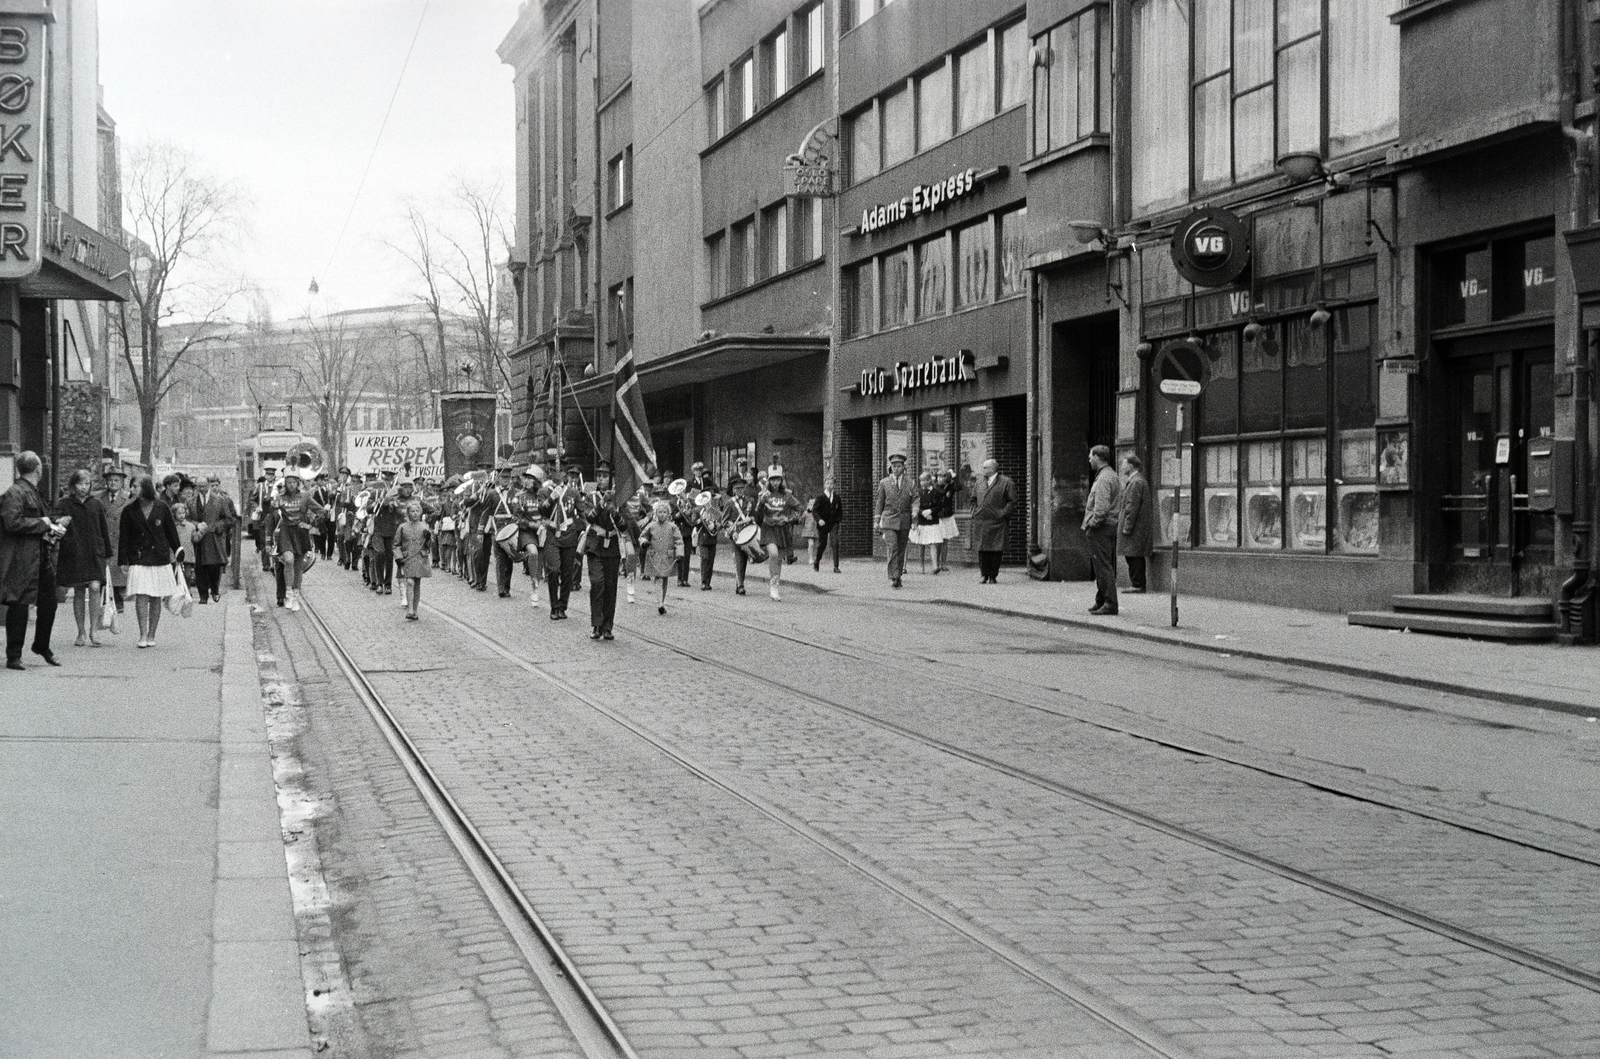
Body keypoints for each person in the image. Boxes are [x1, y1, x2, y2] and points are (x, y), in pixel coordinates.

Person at [2, 452, 67, 668]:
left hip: (39, 556)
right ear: (38, 469)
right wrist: (44, 524)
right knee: (19, 603)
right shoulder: (15, 492)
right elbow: (12, 523)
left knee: (49, 602)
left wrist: (53, 525)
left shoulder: (27, 491)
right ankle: (14, 655)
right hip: (22, 559)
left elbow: (38, 520)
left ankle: (41, 645)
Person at [118, 474, 182, 649]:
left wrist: (178, 551)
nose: (132, 490)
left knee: (155, 596)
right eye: (131, 486)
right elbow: (124, 537)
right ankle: (143, 635)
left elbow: (171, 532)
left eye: (135, 486)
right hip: (138, 557)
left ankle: (152, 634)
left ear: (145, 487)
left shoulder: (162, 507)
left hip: (159, 558)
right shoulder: (129, 510)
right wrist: (123, 560)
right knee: (141, 595)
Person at [55, 469, 113, 648]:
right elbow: (54, 522)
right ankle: (80, 632)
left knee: (95, 587)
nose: (84, 487)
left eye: (87, 484)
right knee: (79, 590)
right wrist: (60, 521)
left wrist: (108, 553)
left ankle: (93, 630)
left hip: (94, 551)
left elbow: (104, 529)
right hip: (75, 551)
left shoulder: (96, 503)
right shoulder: (65, 503)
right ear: (73, 486)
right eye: (80, 483)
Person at [582, 461, 628, 640]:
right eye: (599, 476)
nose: (601, 479)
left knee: (610, 587)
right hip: (595, 546)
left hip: (613, 547)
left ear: (611, 479)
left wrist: (614, 512)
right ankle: (596, 624)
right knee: (597, 584)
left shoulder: (619, 499)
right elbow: (589, 516)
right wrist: (601, 504)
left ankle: (608, 626)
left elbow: (624, 526)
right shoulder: (590, 497)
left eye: (605, 476)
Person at [267, 472, 325, 612]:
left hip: (300, 533)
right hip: (286, 532)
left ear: (298, 483)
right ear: (285, 484)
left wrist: (311, 525)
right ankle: (288, 593)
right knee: (288, 560)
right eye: (289, 482)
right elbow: (271, 514)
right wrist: (274, 503)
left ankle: (295, 597)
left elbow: (321, 511)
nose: (292, 485)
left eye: (294, 482)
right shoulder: (281, 497)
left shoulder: (305, 496)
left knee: (298, 567)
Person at [539, 469, 583, 620]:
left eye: (563, 475)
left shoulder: (573, 493)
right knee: (554, 570)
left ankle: (563, 606)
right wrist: (552, 498)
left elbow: (582, 513)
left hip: (569, 535)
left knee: (567, 573)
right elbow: (541, 510)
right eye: (558, 474)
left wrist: (583, 529)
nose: (561, 477)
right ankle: (554, 606)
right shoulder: (544, 492)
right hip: (552, 534)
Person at [1083, 445, 1122, 615]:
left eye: (1091, 456)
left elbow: (1101, 507)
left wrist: (1093, 524)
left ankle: (1110, 603)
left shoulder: (1104, 478)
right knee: (1101, 564)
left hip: (1102, 528)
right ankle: (1101, 600)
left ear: (1099, 458)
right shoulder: (1109, 475)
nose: (1089, 460)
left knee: (1102, 565)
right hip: (1107, 526)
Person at [754, 465, 802, 601]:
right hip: (768, 528)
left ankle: (775, 586)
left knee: (779, 559)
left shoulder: (787, 494)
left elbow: (800, 509)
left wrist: (790, 519)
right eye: (772, 480)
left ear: (781, 480)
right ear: (768, 480)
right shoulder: (764, 494)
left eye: (778, 480)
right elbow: (757, 517)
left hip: (782, 529)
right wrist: (761, 504)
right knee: (773, 554)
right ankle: (772, 585)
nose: (775, 482)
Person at [971, 458, 1017, 584]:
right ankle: (983, 574)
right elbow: (973, 499)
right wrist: (975, 511)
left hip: (997, 521)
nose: (983, 470)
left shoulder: (1006, 482)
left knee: (996, 549)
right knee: (982, 549)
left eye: (985, 467)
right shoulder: (979, 482)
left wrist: (1002, 513)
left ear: (993, 469)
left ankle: (993, 575)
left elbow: (1012, 501)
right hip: (982, 520)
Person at [873, 452, 916, 589]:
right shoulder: (884, 483)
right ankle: (894, 576)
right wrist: (877, 520)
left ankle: (898, 574)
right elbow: (879, 503)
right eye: (894, 466)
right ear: (890, 468)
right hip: (889, 519)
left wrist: (915, 512)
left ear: (903, 467)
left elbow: (915, 499)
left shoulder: (910, 482)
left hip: (904, 520)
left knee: (902, 548)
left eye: (899, 466)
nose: (896, 468)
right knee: (892, 547)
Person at [193, 474, 237, 604]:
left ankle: (215, 589)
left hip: (213, 538)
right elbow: (187, 518)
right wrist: (196, 525)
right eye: (199, 487)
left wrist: (218, 527)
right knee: (199, 567)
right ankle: (203, 595)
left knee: (213, 566)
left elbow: (229, 519)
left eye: (204, 486)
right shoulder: (191, 501)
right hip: (198, 538)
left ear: (208, 485)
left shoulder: (219, 500)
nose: (202, 489)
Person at [636, 499, 683, 615]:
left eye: (664, 512)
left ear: (668, 514)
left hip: (668, 556)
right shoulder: (651, 526)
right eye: (660, 512)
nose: (662, 514)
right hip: (655, 555)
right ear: (656, 513)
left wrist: (680, 553)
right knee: (658, 577)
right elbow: (642, 536)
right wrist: (644, 542)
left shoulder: (673, 527)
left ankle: (662, 600)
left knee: (665, 578)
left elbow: (679, 541)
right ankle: (660, 603)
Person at [1117, 454, 1153, 594]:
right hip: (1138, 526)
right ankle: (1137, 584)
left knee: (1133, 555)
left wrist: (1127, 527)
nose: (1122, 467)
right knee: (1133, 554)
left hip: (1135, 528)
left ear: (1131, 466)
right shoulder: (1137, 481)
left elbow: (1132, 507)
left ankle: (1137, 584)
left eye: (1124, 464)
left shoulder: (1136, 482)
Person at [100, 468, 132, 614]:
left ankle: (118, 600)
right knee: (104, 569)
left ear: (122, 482)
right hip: (104, 538)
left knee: (119, 570)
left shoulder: (128, 498)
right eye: (110, 480)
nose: (113, 483)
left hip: (121, 538)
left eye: (116, 480)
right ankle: (105, 599)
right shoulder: (98, 498)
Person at [394, 499, 431, 621]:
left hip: (420, 558)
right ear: (408, 513)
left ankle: (415, 610)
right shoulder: (402, 527)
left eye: (417, 511)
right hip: (408, 558)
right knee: (409, 582)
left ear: (420, 512)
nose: (415, 513)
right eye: (412, 511)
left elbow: (429, 546)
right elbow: (396, 544)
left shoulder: (424, 527)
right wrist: (398, 557)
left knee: (417, 584)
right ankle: (410, 609)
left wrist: (429, 538)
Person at [909, 471, 944, 574]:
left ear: (929, 480)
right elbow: (914, 505)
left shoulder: (936, 492)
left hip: (933, 520)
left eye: (924, 480)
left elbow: (940, 505)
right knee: (921, 544)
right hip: (922, 521)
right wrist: (922, 512)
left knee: (933, 543)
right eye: (921, 481)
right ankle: (921, 566)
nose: (922, 483)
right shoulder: (918, 493)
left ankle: (935, 565)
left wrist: (931, 511)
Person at [693, 488, 725, 590]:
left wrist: (715, 525)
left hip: (712, 538)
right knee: (704, 558)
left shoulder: (715, 511)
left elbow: (721, 524)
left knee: (711, 560)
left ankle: (708, 582)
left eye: (709, 498)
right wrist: (701, 520)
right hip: (702, 538)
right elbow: (693, 522)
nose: (708, 501)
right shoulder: (697, 510)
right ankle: (703, 581)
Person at [171, 501, 201, 595]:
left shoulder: (190, 526)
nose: (181, 515)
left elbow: (195, 539)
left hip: (187, 555)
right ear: (174, 514)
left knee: (187, 575)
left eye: (183, 513)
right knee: (175, 575)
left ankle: (186, 590)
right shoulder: (172, 526)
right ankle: (175, 591)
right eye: (179, 513)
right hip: (174, 555)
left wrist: (201, 532)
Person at [812, 480, 841, 573]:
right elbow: (815, 511)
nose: (830, 485)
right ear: (825, 485)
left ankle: (836, 566)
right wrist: (819, 520)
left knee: (835, 542)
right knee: (822, 544)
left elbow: (840, 511)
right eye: (828, 483)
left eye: (832, 484)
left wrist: (838, 520)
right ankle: (817, 560)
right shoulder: (820, 498)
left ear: (834, 485)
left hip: (833, 523)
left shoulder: (836, 498)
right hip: (823, 524)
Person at [936, 469, 960, 570]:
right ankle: (936, 563)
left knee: (945, 541)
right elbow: (940, 493)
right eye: (938, 477)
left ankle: (943, 563)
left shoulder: (950, 487)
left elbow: (959, 487)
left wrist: (954, 477)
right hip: (938, 516)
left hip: (947, 515)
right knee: (937, 541)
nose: (939, 479)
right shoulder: (936, 487)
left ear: (946, 478)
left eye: (942, 477)